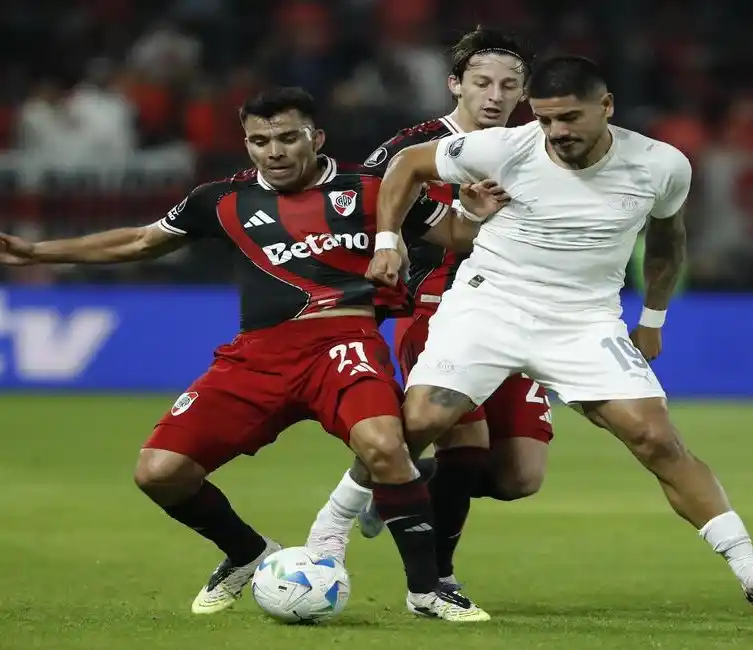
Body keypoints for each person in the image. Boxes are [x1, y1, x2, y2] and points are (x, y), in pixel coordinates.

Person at [0, 87, 500, 622]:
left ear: (316, 137)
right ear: (247, 143)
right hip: (258, 356)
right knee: (159, 472)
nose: (274, 152)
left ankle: (426, 590)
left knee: (384, 445)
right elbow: (141, 242)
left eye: (287, 138)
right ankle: (248, 554)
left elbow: (452, 236)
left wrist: (475, 217)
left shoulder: (375, 189)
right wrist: (35, 252)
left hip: (344, 343)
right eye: (260, 141)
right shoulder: (219, 200)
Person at [366, 56, 753, 607]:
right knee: (423, 423)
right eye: (546, 119)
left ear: (606, 107)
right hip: (490, 307)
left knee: (651, 440)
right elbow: (408, 163)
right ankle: (328, 541)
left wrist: (652, 319)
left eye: (569, 119)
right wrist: (390, 241)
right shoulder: (507, 147)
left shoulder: (661, 164)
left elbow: (670, 241)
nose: (556, 133)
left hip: (583, 321)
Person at [305, 28, 553, 592]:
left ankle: (397, 483)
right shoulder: (409, 150)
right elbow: (355, 216)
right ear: (455, 85)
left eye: (509, 86)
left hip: (519, 315)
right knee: (462, 447)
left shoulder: (534, 149)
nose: (495, 95)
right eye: (482, 82)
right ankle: (436, 577)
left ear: (524, 93)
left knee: (518, 478)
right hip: (438, 312)